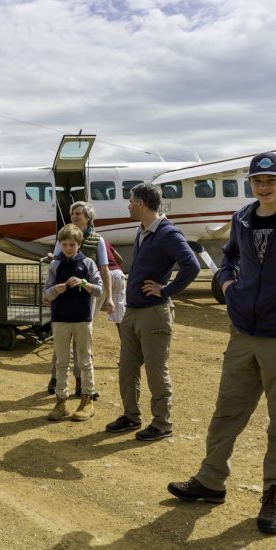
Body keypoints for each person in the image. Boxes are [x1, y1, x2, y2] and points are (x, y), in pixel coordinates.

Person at [168, 152, 276, 535]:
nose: (264, 187)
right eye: (258, 181)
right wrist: (228, 283)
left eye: (271, 181)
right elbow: (229, 255)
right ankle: (211, 481)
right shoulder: (243, 217)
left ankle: (275, 493)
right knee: (227, 413)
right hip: (243, 333)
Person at [105, 182, 200, 441]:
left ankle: (161, 423)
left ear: (141, 204)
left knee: (156, 372)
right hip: (133, 311)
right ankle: (131, 416)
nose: (127, 204)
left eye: (130, 200)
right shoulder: (144, 229)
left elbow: (191, 265)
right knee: (126, 368)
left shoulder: (168, 233)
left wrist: (166, 290)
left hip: (154, 313)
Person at [47, 201, 113, 397]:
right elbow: (56, 264)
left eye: (78, 213)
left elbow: (104, 269)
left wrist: (109, 297)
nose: (74, 216)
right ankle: (56, 379)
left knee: (82, 342)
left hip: (86, 296)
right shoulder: (64, 237)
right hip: (63, 299)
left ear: (88, 217)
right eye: (72, 213)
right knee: (63, 340)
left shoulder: (97, 240)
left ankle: (81, 383)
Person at [43, 224, 102, 422]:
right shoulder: (55, 265)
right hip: (60, 319)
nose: (68, 248)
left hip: (82, 319)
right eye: (65, 244)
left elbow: (99, 290)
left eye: (72, 244)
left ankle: (87, 400)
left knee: (85, 361)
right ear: (60, 245)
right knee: (61, 362)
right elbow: (46, 295)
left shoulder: (87, 263)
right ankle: (61, 402)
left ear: (79, 244)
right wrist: (56, 290)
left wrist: (84, 283)